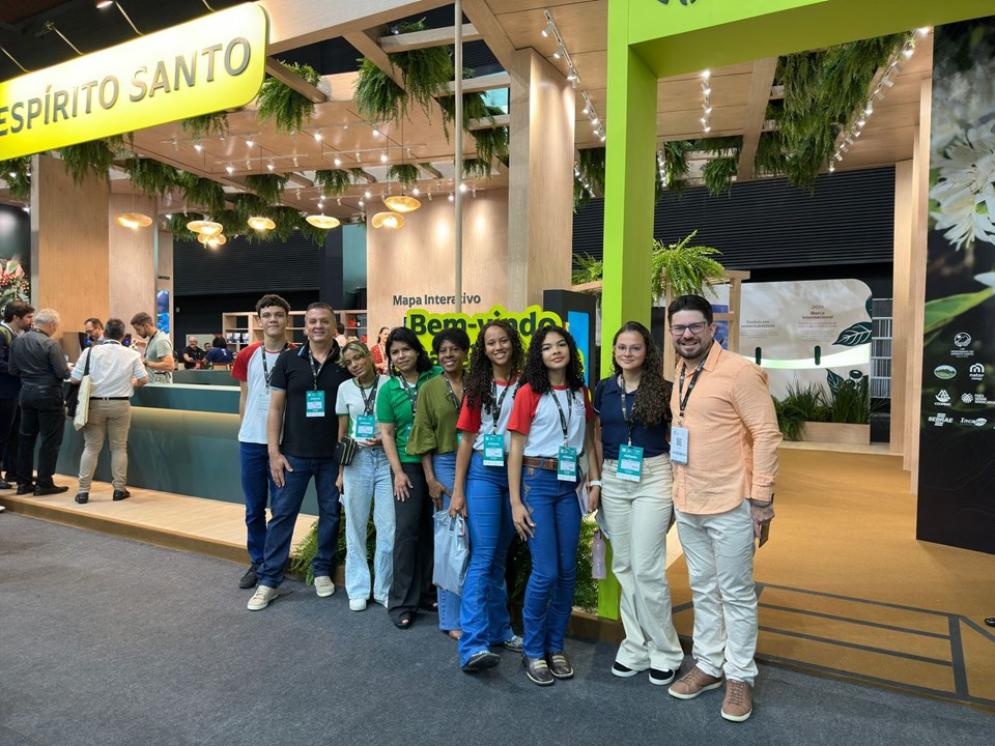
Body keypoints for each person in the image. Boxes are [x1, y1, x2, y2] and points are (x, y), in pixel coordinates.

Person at [664, 295, 780, 723]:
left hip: (731, 502)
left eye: (695, 326)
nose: (687, 334)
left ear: (712, 329)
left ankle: (739, 675)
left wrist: (762, 498)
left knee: (736, 593)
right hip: (689, 499)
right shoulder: (681, 371)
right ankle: (709, 664)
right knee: (702, 587)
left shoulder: (739, 372)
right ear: (671, 332)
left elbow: (766, 434)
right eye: (679, 328)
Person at [507, 325, 600, 687]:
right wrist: (516, 501)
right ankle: (533, 650)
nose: (556, 351)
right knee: (545, 571)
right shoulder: (529, 392)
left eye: (561, 344)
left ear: (570, 350)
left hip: (568, 484)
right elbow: (516, 448)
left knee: (566, 572)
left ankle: (555, 646)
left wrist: (595, 481)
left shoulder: (580, 391)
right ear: (539, 355)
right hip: (537, 482)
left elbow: (588, 440)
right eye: (547, 347)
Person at [591, 321, 682, 686]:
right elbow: (597, 437)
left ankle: (666, 650)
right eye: (621, 347)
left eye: (635, 347)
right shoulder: (604, 389)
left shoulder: (664, 390)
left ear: (647, 352)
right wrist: (596, 480)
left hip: (654, 475)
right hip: (614, 476)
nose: (627, 353)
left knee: (647, 568)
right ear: (613, 352)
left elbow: (676, 437)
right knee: (624, 565)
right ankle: (635, 646)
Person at [248, 302, 349, 611]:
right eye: (312, 321)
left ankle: (322, 569)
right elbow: (275, 408)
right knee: (282, 516)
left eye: (324, 321)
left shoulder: (346, 362)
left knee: (330, 514)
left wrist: (344, 460)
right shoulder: (289, 360)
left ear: (334, 327)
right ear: (305, 327)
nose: (318, 326)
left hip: (331, 457)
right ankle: (269, 580)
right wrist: (273, 452)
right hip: (293, 455)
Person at [450, 319, 526, 672]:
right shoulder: (477, 386)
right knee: (482, 557)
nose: (498, 347)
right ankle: (472, 645)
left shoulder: (527, 383)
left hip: (517, 472)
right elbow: (466, 441)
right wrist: (458, 491)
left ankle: (499, 629)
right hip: (483, 472)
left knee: (499, 558)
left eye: (503, 340)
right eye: (491, 342)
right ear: (483, 349)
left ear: (513, 343)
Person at [408, 328, 470, 640]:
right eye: (443, 350)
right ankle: (450, 618)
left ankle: (473, 612)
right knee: (450, 542)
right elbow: (423, 433)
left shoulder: (477, 383)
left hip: (478, 462)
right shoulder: (429, 388)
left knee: (475, 541)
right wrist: (430, 479)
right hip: (444, 464)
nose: (448, 355)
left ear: (465, 352)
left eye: (454, 349)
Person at [376, 327, 438, 629]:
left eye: (406, 349)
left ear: (417, 350)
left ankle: (427, 592)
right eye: (395, 352)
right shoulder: (388, 389)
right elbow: (387, 434)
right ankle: (401, 601)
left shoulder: (435, 376)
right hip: (408, 467)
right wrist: (398, 472)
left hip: (440, 462)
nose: (401, 356)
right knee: (407, 532)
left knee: (432, 530)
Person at [231, 294, 293, 590]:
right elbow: (244, 395)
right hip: (251, 443)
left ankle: (275, 562)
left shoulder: (297, 355)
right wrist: (243, 428)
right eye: (267, 315)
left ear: (286, 319)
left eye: (278, 314)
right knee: (254, 508)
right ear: (259, 320)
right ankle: (258, 561)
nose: (272, 320)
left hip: (285, 445)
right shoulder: (247, 355)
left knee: (281, 510)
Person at [334, 341, 393, 611]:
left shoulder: (389, 383)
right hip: (356, 460)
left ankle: (384, 588)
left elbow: (398, 422)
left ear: (369, 356)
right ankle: (358, 587)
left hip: (385, 459)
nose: (355, 365)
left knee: (388, 528)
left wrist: (384, 440)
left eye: (358, 358)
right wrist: (340, 472)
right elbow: (342, 431)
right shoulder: (344, 389)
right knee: (355, 526)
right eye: (349, 362)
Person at [70, 318, 148, 504]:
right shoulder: (132, 354)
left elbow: (74, 378)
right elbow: (143, 378)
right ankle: (119, 490)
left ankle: (83, 491)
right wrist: (132, 383)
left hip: (94, 404)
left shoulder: (90, 352)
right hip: (120, 404)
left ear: (104, 332)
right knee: (119, 447)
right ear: (122, 335)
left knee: (91, 448)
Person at [9, 308, 71, 496]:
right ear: (51, 325)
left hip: (26, 394)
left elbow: (13, 370)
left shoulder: (18, 341)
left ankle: (23, 482)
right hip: (49, 396)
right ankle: (44, 482)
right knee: (50, 440)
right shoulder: (50, 344)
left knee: (25, 439)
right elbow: (62, 372)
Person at [0, 301, 34, 490]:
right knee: (2, 434)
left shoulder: (15, 334)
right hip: (4, 393)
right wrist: (21, 369)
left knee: (14, 435)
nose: (31, 321)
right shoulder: (2, 333)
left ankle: (12, 471)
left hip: (14, 392)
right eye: (28, 317)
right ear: (15, 317)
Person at [130, 312, 174, 383]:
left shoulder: (161, 341)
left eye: (138, 329)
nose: (137, 333)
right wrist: (141, 343)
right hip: (153, 385)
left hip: (160, 387)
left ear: (146, 326)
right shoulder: (154, 338)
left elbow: (170, 366)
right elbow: (155, 349)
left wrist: (145, 363)